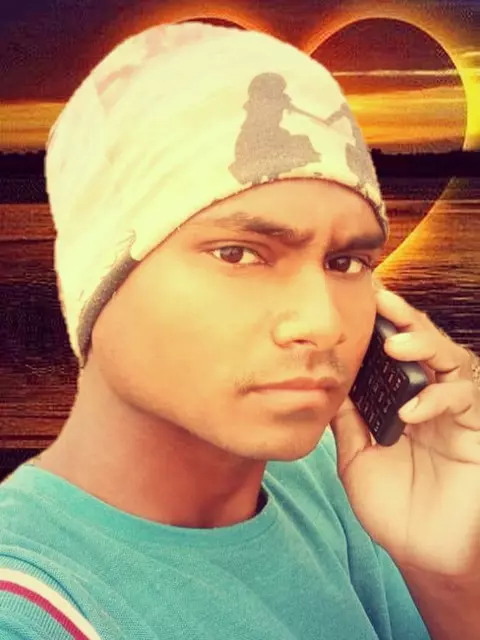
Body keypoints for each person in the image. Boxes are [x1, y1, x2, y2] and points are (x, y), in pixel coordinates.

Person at [0, 21, 479, 640]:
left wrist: (448, 577)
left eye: (346, 262)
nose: (322, 324)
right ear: (99, 277)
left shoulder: (354, 477)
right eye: (238, 254)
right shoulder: (32, 611)